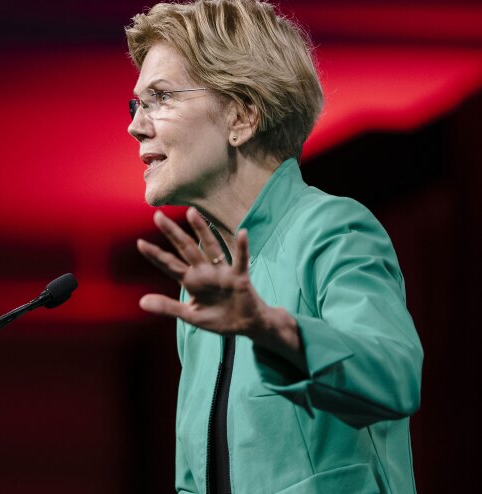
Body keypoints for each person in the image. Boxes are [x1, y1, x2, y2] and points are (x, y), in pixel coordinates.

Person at [125, 1, 423, 493]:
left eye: (159, 98)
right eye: (137, 104)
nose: (137, 125)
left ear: (241, 115)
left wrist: (269, 329)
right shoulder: (204, 286)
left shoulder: (332, 229)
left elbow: (394, 377)